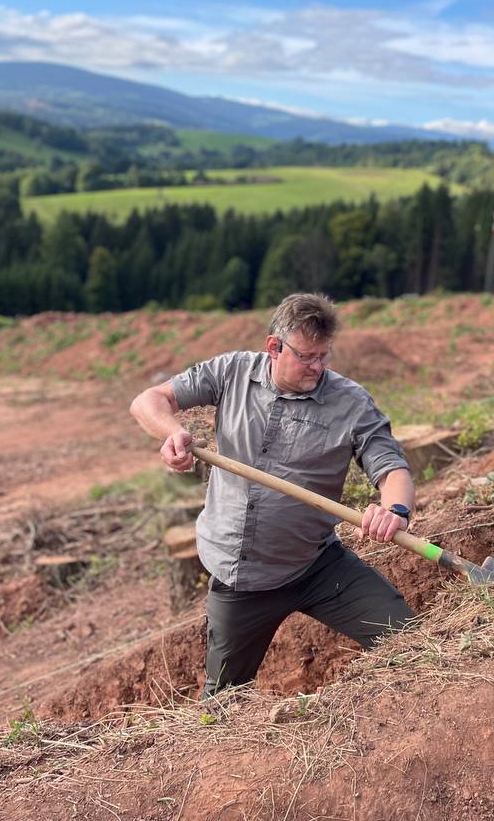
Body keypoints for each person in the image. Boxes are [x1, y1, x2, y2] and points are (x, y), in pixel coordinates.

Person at [129, 293, 417, 695]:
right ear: (273, 347)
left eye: (324, 356)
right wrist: (172, 433)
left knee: (412, 643)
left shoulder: (349, 402)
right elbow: (149, 401)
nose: (317, 367)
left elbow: (391, 468)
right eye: (306, 356)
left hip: (316, 566)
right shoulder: (231, 372)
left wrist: (395, 509)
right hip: (239, 578)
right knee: (224, 705)